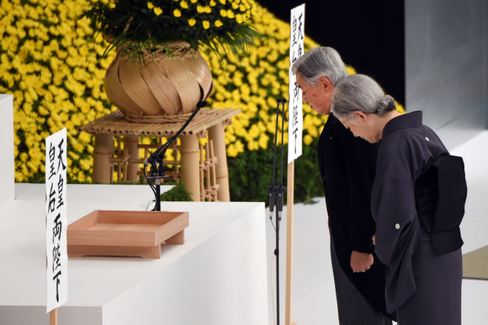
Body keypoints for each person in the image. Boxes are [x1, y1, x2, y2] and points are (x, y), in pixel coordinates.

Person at [331, 73, 463, 325]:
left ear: (360, 115)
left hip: (421, 258)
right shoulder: (423, 131)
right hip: (447, 249)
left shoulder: (395, 144)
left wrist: (383, 242)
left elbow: (397, 214)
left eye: (351, 129)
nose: (355, 136)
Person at [291, 47, 394, 324]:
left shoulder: (352, 123)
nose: (303, 99)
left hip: (360, 248)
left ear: (324, 83)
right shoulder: (341, 120)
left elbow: (367, 186)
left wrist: (362, 247)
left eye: (304, 89)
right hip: (349, 240)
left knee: (363, 315)